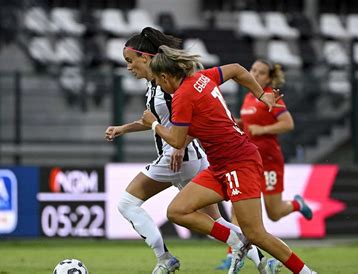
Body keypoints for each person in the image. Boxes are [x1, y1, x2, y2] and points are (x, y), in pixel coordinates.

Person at [105, 27, 273, 274]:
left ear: (146, 58)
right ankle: (263, 261)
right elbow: (155, 120)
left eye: (131, 61)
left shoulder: (168, 85)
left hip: (177, 158)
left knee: (127, 204)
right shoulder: (155, 84)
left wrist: (179, 145)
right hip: (189, 158)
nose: (129, 67)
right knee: (216, 221)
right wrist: (123, 129)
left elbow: (185, 118)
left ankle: (165, 258)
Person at [142, 45, 317, 274]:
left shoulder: (182, 96)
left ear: (165, 76)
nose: (158, 85)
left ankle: (306, 272)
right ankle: (237, 241)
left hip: (238, 162)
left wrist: (152, 124)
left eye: (157, 80)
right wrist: (261, 93)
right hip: (220, 165)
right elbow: (236, 69)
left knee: (256, 233)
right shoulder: (201, 77)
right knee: (177, 211)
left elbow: (176, 140)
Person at [216, 60, 313, 270]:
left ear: (268, 78)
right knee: (237, 205)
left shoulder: (270, 96)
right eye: (253, 71)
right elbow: (249, 124)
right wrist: (240, 124)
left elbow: (288, 123)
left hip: (269, 161)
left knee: (275, 213)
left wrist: (263, 129)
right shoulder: (249, 97)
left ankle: (297, 204)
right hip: (249, 160)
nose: (256, 75)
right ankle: (233, 254)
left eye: (261, 73)